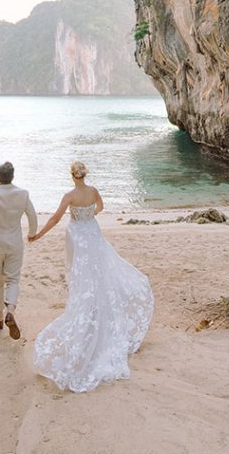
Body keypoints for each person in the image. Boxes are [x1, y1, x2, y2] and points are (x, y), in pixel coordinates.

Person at [28, 160, 153, 392]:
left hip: (77, 234)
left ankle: (86, 306)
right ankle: (97, 305)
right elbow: (101, 208)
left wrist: (38, 235)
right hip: (92, 232)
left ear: (72, 176)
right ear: (84, 175)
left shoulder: (69, 196)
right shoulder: (93, 191)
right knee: (98, 271)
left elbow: (55, 219)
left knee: (81, 273)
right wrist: (89, 215)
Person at [0, 161, 38, 340]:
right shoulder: (22, 194)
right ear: (13, 176)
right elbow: (32, 216)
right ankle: (10, 310)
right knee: (13, 278)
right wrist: (32, 233)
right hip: (14, 243)